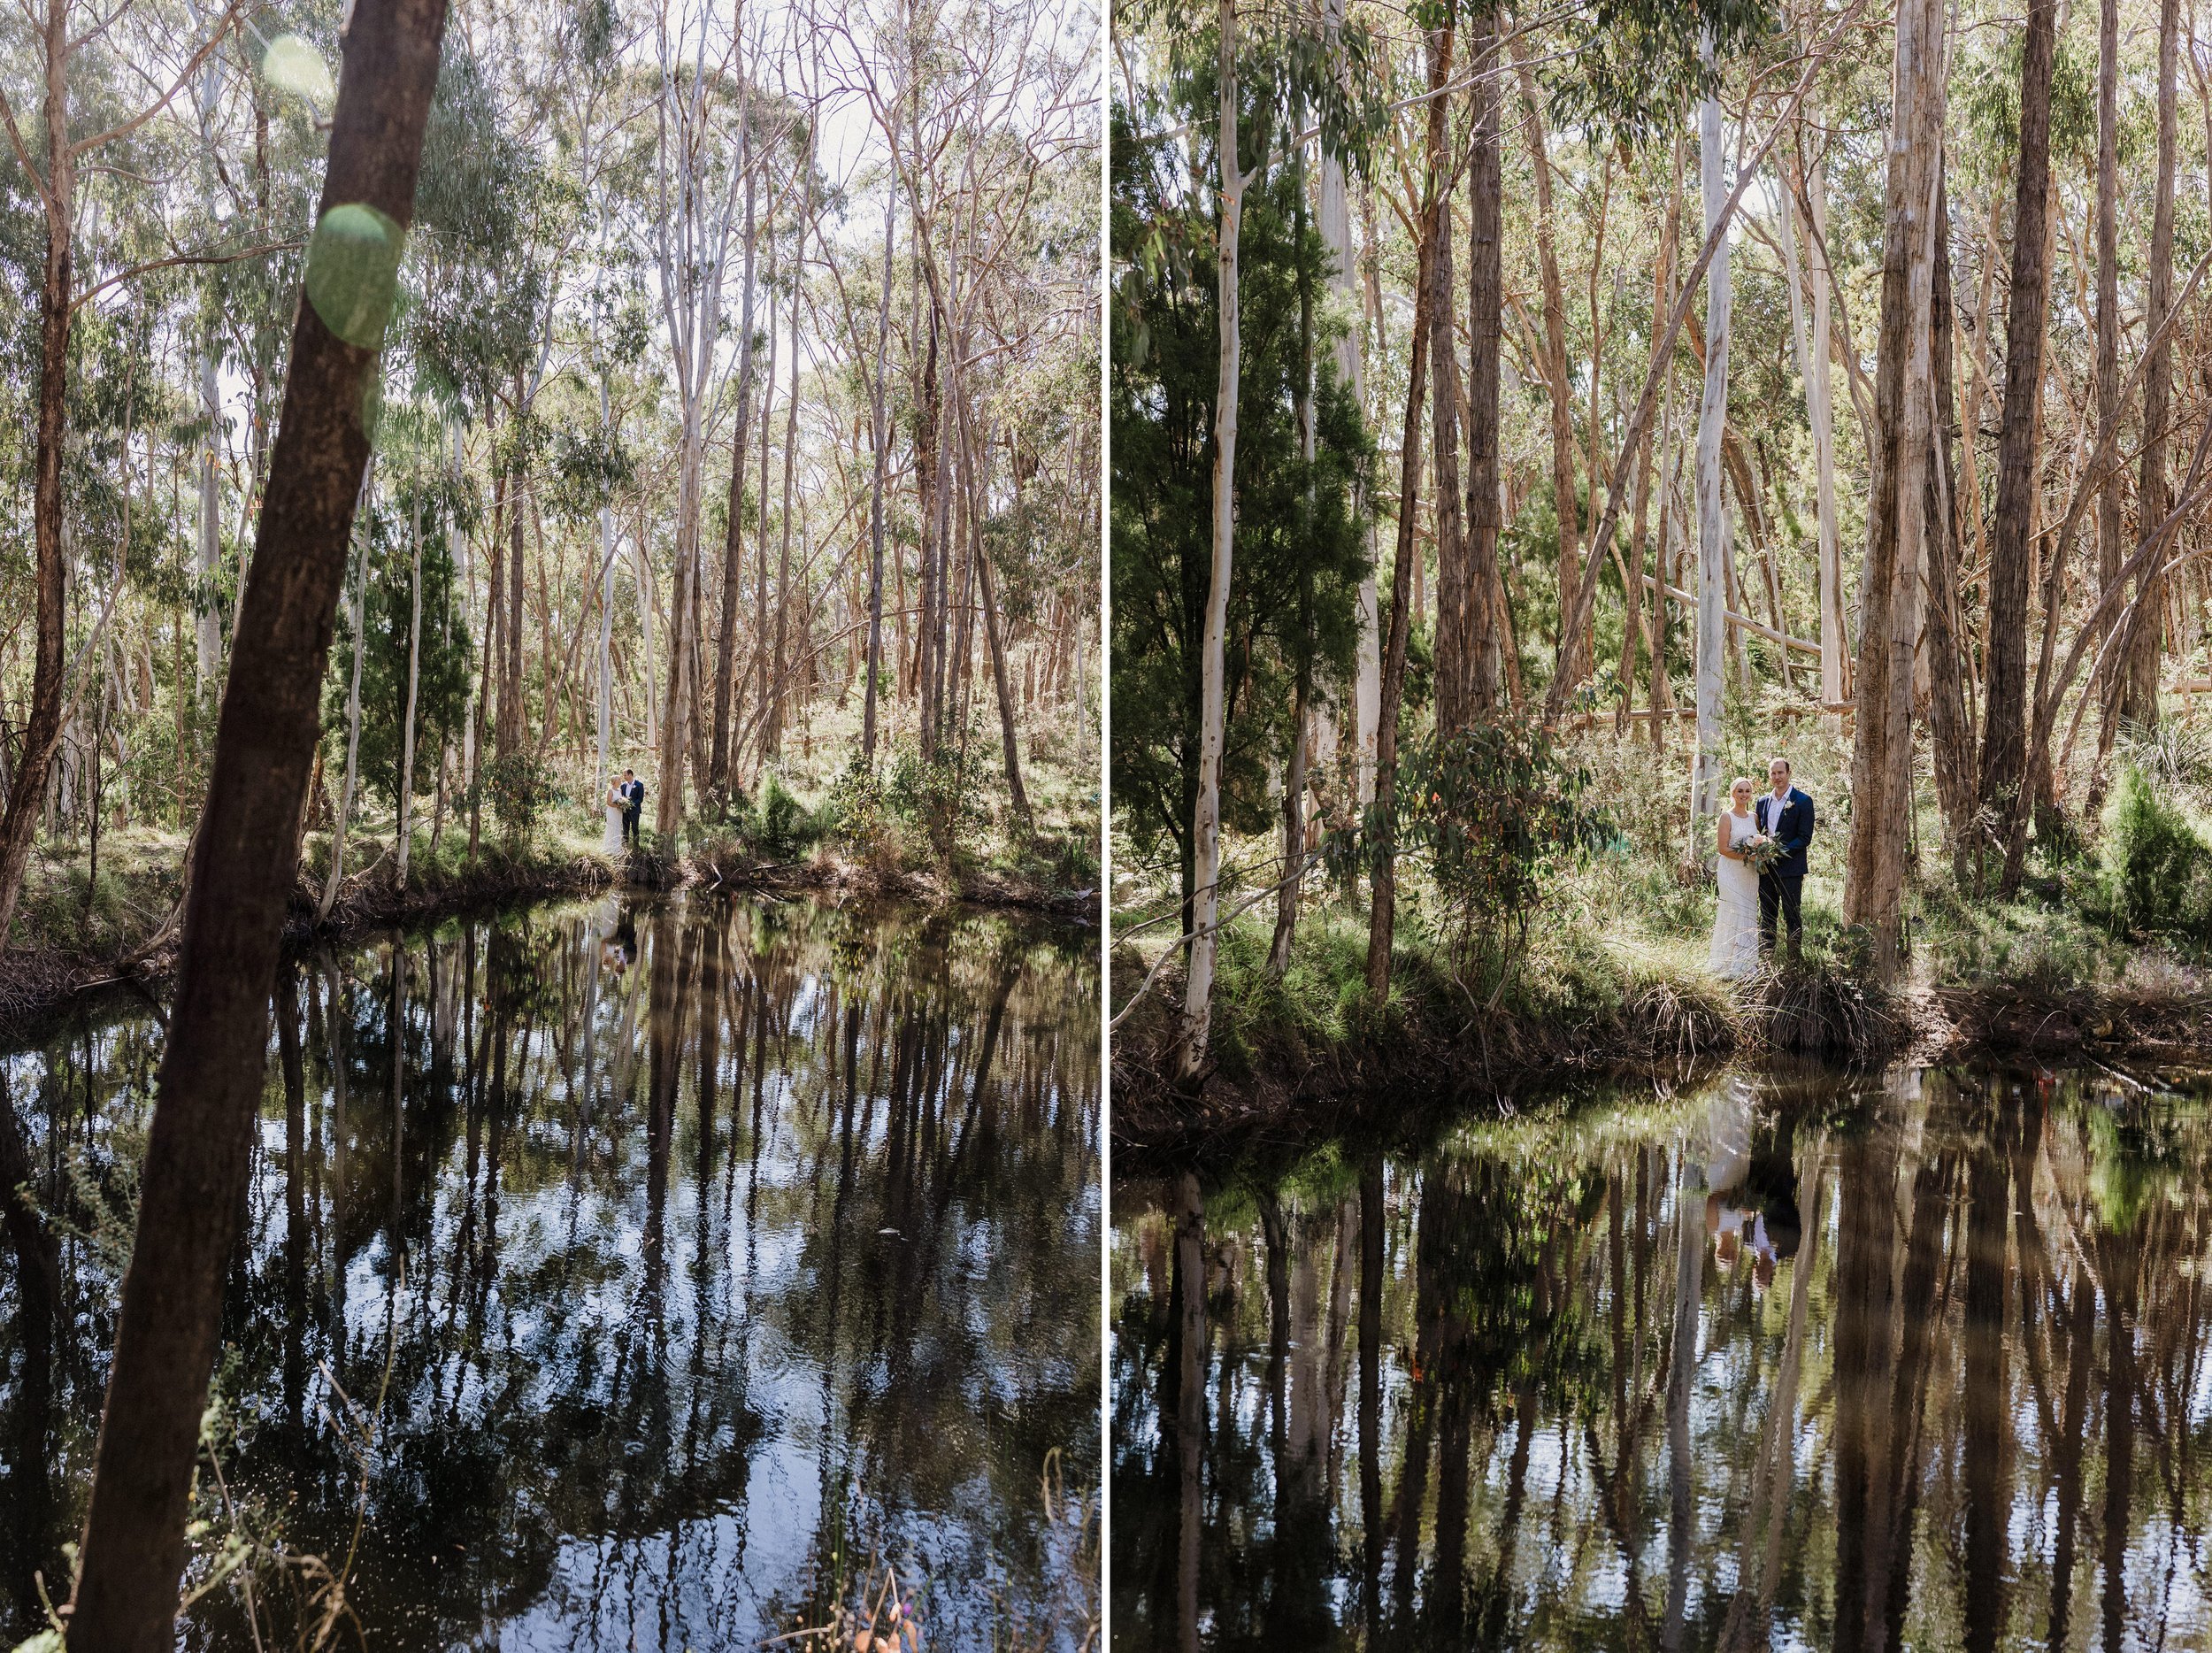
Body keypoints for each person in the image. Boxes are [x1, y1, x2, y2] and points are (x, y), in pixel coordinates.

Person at [1755, 757, 1814, 961]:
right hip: (1766, 869)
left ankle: (1794, 961)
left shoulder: (1803, 801)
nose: (1777, 777)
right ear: (1769, 775)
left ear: (1789, 773)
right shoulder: (1762, 802)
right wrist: (1761, 850)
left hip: (1791, 868)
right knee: (1767, 915)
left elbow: (1805, 838)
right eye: (1773, 773)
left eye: (1780, 773)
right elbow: (1759, 832)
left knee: (1792, 915)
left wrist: (1778, 850)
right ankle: (1767, 960)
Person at [1709, 776, 1764, 978]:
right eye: (1740, 791)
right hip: (1731, 872)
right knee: (1734, 910)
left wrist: (1761, 853)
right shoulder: (1726, 817)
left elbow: (1760, 841)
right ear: (1733, 793)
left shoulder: (1754, 817)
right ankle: (1724, 962)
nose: (1744, 794)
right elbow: (1723, 848)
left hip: (1749, 874)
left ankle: (1745, 963)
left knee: (1748, 911)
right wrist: (1748, 856)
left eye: (1747, 791)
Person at [602, 776, 627, 856]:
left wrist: (623, 804)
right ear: (615, 781)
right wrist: (618, 806)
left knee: (618, 828)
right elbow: (608, 803)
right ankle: (609, 848)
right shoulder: (610, 790)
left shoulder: (620, 790)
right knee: (611, 828)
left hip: (619, 813)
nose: (620, 780)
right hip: (612, 812)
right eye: (619, 779)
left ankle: (617, 849)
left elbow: (622, 800)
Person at [622, 769, 644, 846]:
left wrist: (630, 804)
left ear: (630, 775)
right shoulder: (623, 785)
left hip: (635, 811)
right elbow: (622, 797)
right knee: (625, 829)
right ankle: (625, 846)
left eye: (625, 775)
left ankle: (636, 847)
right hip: (625, 811)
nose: (624, 777)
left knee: (635, 828)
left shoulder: (639, 785)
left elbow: (640, 799)